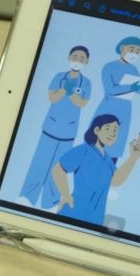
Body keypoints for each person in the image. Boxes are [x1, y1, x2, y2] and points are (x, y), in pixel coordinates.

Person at [19, 46, 92, 209]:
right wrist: (64, 90)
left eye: (82, 59)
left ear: (87, 62)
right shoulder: (59, 77)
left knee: (58, 168)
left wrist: (71, 93)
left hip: (68, 132)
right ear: (69, 58)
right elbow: (52, 98)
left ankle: (50, 202)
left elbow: (82, 103)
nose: (78, 61)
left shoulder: (86, 83)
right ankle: (27, 197)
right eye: (75, 57)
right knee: (40, 163)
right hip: (50, 128)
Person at [52, 114, 140, 226]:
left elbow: (115, 180)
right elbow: (58, 169)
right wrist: (66, 195)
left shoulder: (107, 160)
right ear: (97, 130)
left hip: (95, 221)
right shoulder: (84, 150)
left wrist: (134, 157)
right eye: (108, 128)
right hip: (73, 214)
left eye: (115, 131)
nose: (112, 133)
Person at [91, 36, 140, 161]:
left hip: (125, 110)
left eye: (138, 51)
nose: (134, 54)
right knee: (98, 143)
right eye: (132, 49)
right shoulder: (110, 66)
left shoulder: (133, 69)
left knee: (115, 145)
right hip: (109, 107)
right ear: (122, 48)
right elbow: (109, 89)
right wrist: (129, 87)